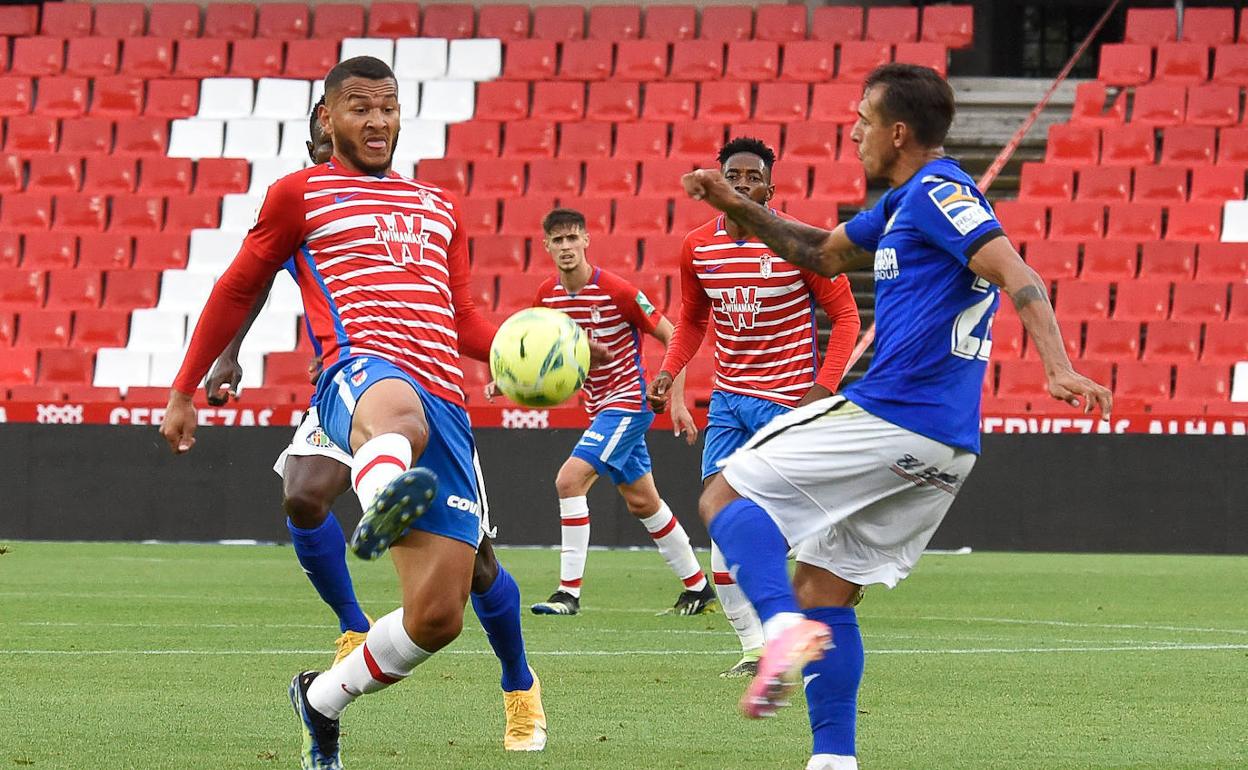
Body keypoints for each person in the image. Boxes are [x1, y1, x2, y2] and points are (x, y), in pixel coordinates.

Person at [677, 64, 1112, 770]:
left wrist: (1056, 366)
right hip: (945, 447)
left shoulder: (941, 193)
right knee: (824, 587)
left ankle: (778, 629)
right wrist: (736, 202)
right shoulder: (902, 203)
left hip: (898, 413)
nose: (855, 133)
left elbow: (1016, 271)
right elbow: (820, 251)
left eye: (863, 120)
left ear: (898, 132)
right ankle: (834, 760)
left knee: (725, 493)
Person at [159, 57, 547, 768]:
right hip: (359, 374)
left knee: (438, 618)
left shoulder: (439, 208)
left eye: (388, 108)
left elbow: (463, 320)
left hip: (447, 406)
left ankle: (320, 699)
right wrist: (184, 389)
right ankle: (382, 498)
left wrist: (516, 353)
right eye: (360, 108)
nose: (377, 121)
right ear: (326, 119)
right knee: (396, 420)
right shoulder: (299, 195)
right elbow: (238, 286)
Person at [648, 137, 862, 678]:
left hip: (786, 403)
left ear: (771, 187)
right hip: (728, 403)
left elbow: (847, 318)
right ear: (716, 185)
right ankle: (755, 648)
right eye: (732, 177)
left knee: (774, 529)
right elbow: (693, 319)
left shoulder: (796, 242)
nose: (742, 185)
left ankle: (835, 576)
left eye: (752, 177)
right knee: (722, 523)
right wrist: (671, 372)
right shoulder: (696, 247)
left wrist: (823, 388)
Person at [493, 208, 714, 617]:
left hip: (628, 402)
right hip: (598, 408)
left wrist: (678, 400)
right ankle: (699, 589)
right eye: (557, 240)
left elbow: (672, 335)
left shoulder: (617, 291)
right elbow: (540, 351)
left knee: (569, 480)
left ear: (586, 240)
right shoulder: (547, 297)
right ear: (546, 246)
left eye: (572, 238)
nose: (566, 247)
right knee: (643, 503)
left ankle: (568, 594)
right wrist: (507, 381)